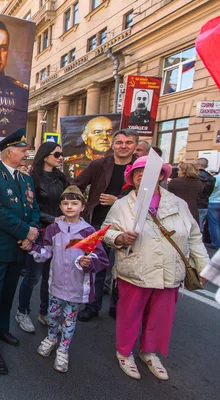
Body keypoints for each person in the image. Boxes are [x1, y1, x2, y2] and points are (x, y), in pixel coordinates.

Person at [103, 155, 209, 381]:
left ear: (161, 176)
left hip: (170, 271)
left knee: (160, 317)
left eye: (149, 171)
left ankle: (149, 352)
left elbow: (194, 236)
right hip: (136, 271)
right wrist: (120, 237)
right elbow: (106, 232)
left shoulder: (178, 204)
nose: (143, 175)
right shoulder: (123, 204)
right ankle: (124, 352)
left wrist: (204, 267)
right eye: (137, 172)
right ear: (132, 178)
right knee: (129, 315)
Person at [0, 128, 40, 374]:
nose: (27, 153)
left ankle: (2, 330)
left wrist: (31, 233)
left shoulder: (26, 178)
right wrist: (25, 231)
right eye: (23, 149)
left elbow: (33, 207)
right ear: (8, 152)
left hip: (18, 247)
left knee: (8, 292)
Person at [30, 186, 108, 372]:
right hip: (56, 283)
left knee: (69, 319)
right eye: (65, 203)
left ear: (83, 207)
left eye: (74, 203)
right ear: (60, 206)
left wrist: (87, 261)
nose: (70, 206)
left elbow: (101, 258)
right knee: (52, 314)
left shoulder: (88, 231)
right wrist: (32, 249)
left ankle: (63, 349)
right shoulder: (53, 229)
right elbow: (46, 251)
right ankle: (50, 338)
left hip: (76, 285)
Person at [74, 129, 138, 322]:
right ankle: (92, 306)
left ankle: (118, 306)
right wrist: (78, 205)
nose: (123, 146)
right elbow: (77, 184)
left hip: (128, 226)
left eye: (128, 142)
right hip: (97, 225)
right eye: (119, 142)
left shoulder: (142, 167)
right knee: (97, 267)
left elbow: (151, 196)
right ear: (113, 144)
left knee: (124, 269)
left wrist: (118, 200)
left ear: (135, 145)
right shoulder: (99, 164)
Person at [15, 141, 69, 333]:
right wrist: (51, 218)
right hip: (39, 232)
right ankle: (22, 311)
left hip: (59, 233)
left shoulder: (61, 177)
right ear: (45, 156)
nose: (60, 158)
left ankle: (45, 313)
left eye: (61, 154)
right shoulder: (32, 178)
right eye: (56, 154)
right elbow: (29, 207)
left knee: (50, 276)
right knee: (33, 275)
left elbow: (68, 199)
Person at [195, 157, 216, 228]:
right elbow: (210, 191)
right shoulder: (212, 178)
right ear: (206, 166)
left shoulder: (193, 176)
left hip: (193, 204)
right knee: (199, 226)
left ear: (196, 164)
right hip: (204, 204)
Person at [206, 173, 220, 249]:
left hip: (213, 201)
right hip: (214, 202)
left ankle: (216, 243)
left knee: (214, 224)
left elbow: (211, 189)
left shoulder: (216, 178)